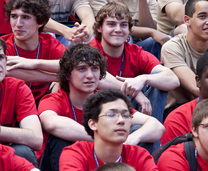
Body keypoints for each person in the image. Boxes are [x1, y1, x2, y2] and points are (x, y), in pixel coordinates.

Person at [38, 43, 165, 171]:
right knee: (59, 139)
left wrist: (132, 138)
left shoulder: (107, 102)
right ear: (67, 74)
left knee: (139, 130)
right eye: (82, 69)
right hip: (69, 162)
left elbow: (156, 126)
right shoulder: (54, 99)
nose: (90, 75)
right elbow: (52, 124)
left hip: (107, 160)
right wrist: (107, 137)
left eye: (94, 68)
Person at [90, 1, 180, 123]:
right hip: (99, 112)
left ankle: (154, 133)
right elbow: (93, 77)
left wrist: (144, 78)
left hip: (132, 113)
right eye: (111, 24)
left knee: (157, 81)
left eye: (123, 25)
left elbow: (173, 79)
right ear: (99, 28)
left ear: (129, 29)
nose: (118, 30)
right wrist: (136, 93)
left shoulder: (135, 52)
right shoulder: (90, 50)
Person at [59, 89, 159, 171]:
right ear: (93, 124)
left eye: (125, 115)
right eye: (111, 115)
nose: (121, 121)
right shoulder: (75, 154)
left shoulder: (139, 155)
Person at [2, 0, 66, 105]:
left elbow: (75, 64)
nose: (18, 24)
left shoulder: (49, 43)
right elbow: (7, 71)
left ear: (40, 22)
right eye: (14, 16)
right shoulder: (4, 45)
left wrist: (34, 63)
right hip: (12, 105)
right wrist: (58, 77)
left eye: (25, 17)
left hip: (43, 104)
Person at [0, 38, 43, 167]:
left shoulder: (17, 87)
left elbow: (36, 139)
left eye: (0, 57)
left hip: (8, 159)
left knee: (23, 152)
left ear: (6, 61)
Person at [89, 0, 170, 60]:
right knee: (126, 38)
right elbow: (103, 24)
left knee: (167, 39)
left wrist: (142, 2)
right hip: (112, 44)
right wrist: (151, 32)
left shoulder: (149, 1)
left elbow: (149, 29)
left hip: (140, 44)